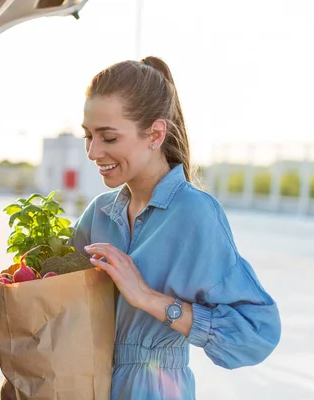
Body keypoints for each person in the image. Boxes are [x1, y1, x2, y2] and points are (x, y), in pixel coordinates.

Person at [73, 56, 281, 400]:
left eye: (108, 138)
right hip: (86, 383)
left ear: (155, 134)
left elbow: (255, 335)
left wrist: (147, 298)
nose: (93, 152)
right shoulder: (99, 213)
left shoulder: (195, 214)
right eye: (88, 136)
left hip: (154, 390)